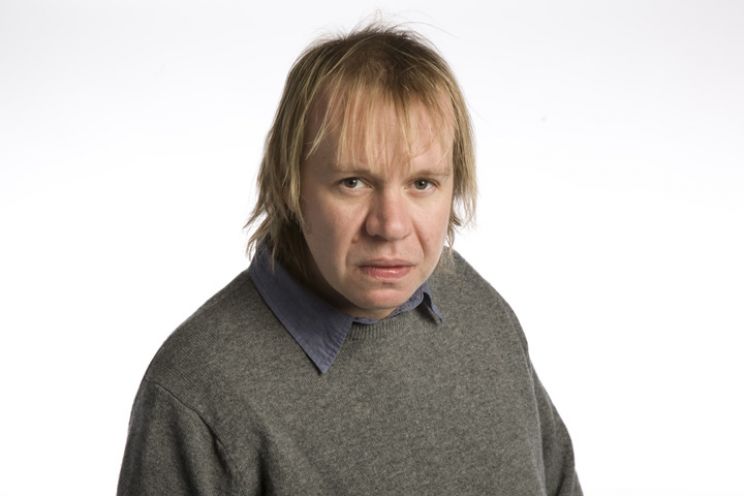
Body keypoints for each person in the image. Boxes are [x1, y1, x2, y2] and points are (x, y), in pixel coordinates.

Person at [117, 24, 582, 495]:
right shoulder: (198, 392)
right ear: (289, 186)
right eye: (353, 182)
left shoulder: (478, 309)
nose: (390, 226)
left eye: (422, 183)